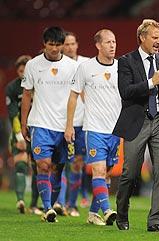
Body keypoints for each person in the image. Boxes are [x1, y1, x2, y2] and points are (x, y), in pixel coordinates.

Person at [113, 19, 159, 232]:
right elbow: (125, 92)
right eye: (154, 38)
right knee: (130, 173)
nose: (158, 42)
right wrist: (150, 83)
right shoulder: (126, 61)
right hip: (136, 121)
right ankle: (122, 213)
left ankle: (156, 221)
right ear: (142, 38)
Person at [21, 26, 78, 222]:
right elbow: (27, 95)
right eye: (51, 44)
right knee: (43, 165)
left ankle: (52, 205)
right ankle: (47, 208)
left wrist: (71, 125)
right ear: (44, 44)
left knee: (58, 168)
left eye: (58, 45)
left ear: (63, 45)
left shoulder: (73, 66)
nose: (54, 49)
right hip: (40, 124)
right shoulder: (33, 65)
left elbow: (75, 96)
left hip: (63, 127)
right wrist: (23, 123)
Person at [64, 29, 121, 226]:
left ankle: (92, 214)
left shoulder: (122, 67)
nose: (112, 45)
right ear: (98, 45)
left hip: (115, 131)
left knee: (106, 174)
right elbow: (73, 95)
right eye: (108, 42)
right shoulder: (85, 67)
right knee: (98, 170)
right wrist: (69, 125)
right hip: (94, 128)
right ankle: (107, 211)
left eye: (114, 41)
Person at [54, 31, 90, 217]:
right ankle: (59, 203)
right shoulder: (56, 66)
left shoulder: (86, 64)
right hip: (60, 122)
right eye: (65, 44)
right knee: (60, 163)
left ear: (77, 45)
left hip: (82, 123)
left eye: (72, 44)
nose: (69, 47)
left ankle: (72, 204)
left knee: (77, 164)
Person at [5, 55, 43, 215]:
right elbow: (13, 114)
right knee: (21, 164)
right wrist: (19, 136)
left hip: (38, 131)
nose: (23, 73)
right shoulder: (12, 88)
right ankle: (20, 200)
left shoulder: (40, 84)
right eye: (21, 70)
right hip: (19, 132)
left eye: (26, 70)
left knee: (37, 168)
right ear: (18, 71)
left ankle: (34, 204)